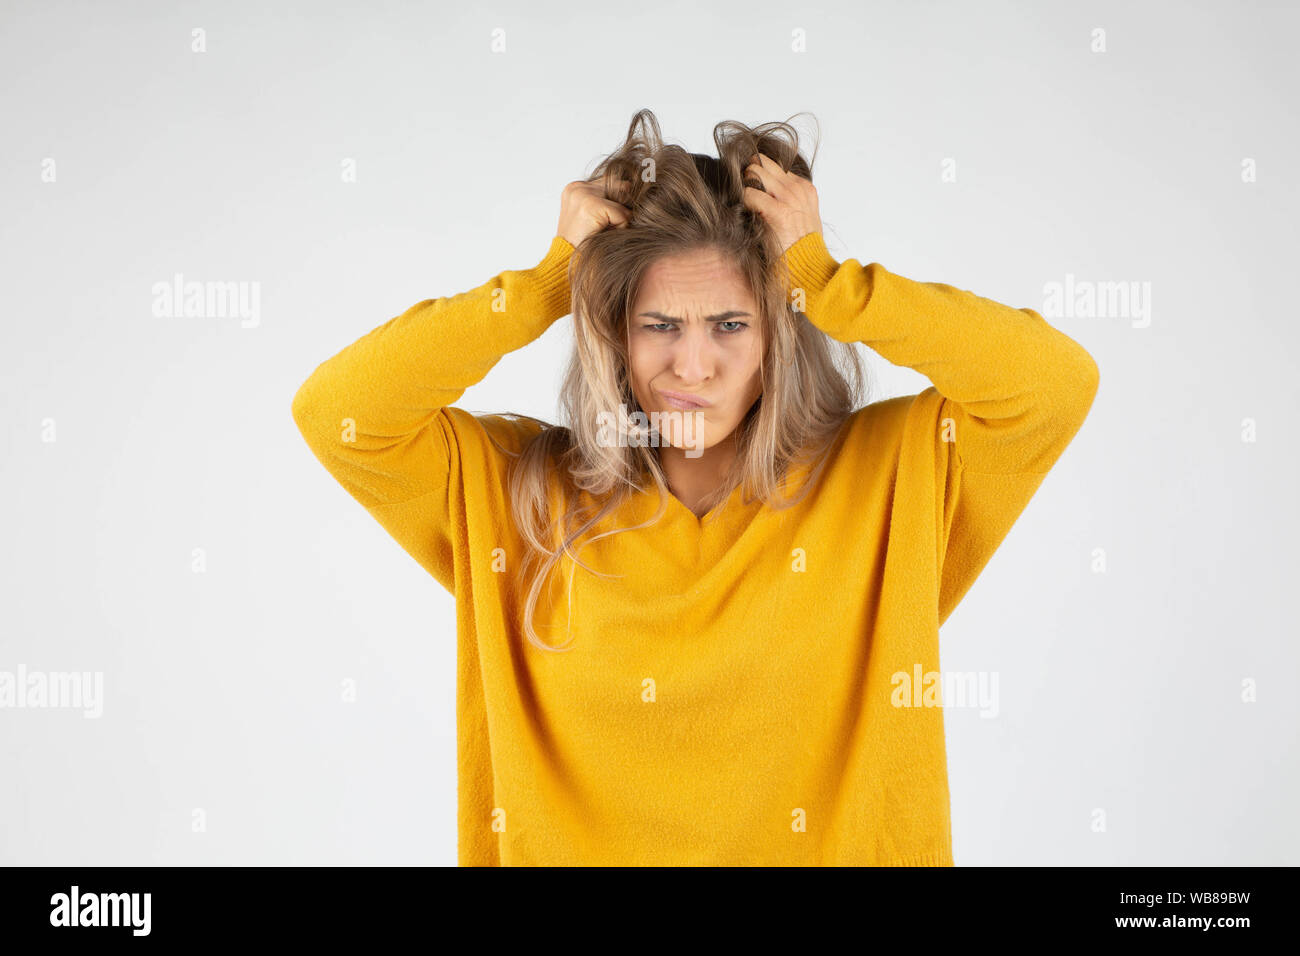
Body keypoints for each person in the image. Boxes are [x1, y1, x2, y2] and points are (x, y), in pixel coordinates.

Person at [291, 109, 1099, 866]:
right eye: (660, 326)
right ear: (614, 334)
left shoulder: (891, 475)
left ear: (778, 330)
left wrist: (828, 279)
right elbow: (341, 414)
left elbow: (1051, 385)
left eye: (729, 325)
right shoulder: (520, 495)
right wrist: (544, 286)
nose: (693, 368)